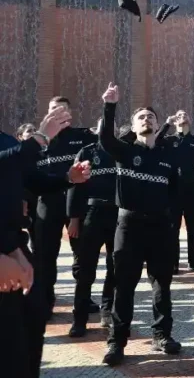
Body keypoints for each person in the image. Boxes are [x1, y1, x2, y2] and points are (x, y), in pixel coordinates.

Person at [1, 105, 91, 378]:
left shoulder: (5, 140)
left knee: (32, 319)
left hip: (13, 245)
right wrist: (40, 138)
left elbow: (28, 179)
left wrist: (67, 178)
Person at [98, 82, 183, 366]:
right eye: (141, 117)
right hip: (129, 227)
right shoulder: (124, 151)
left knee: (162, 285)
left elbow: (175, 192)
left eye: (151, 117)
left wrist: (171, 223)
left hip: (160, 227)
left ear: (159, 126)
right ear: (134, 127)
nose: (147, 119)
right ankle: (116, 342)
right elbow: (106, 141)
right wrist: (110, 106)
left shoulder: (167, 156)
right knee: (124, 286)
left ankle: (162, 335)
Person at [32, 96, 95, 317]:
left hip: (76, 204)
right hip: (47, 204)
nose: (58, 112)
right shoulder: (38, 142)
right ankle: (45, 301)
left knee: (83, 255)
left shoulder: (83, 138)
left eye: (62, 109)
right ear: (46, 113)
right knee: (44, 256)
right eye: (53, 109)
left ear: (70, 113)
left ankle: (83, 299)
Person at [65, 118, 117, 337]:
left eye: (111, 126)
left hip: (117, 214)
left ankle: (108, 312)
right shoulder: (86, 152)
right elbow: (74, 186)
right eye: (103, 125)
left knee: (115, 268)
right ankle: (80, 319)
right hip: (91, 214)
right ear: (96, 130)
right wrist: (73, 218)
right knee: (86, 270)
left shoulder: (122, 151)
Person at [160, 111, 194, 273]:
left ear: (190, 119)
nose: (183, 115)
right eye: (179, 114)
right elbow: (154, 141)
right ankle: (173, 263)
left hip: (192, 191)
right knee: (172, 229)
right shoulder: (169, 140)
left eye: (185, 114)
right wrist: (166, 124)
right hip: (173, 191)